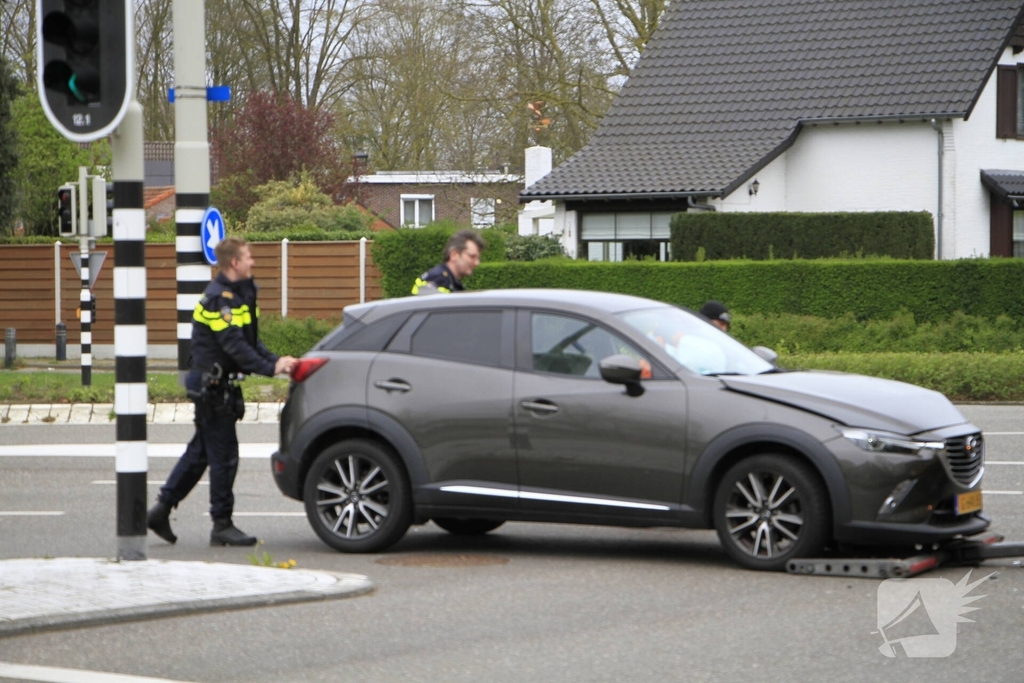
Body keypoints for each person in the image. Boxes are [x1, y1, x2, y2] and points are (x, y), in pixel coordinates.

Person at [147, 237, 296, 547]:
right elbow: (235, 347)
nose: (253, 262)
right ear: (234, 263)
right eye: (248, 257)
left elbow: (251, 343)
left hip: (215, 384)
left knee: (201, 452)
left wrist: (278, 362)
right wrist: (271, 368)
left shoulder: (238, 295)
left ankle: (160, 510)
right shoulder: (220, 300)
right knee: (224, 457)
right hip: (210, 387)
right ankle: (221, 525)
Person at [411, 229, 486, 295]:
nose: (477, 263)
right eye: (472, 256)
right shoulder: (438, 280)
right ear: (454, 255)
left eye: (478, 258)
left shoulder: (449, 281)